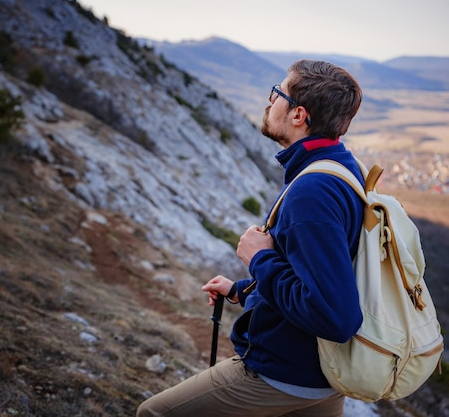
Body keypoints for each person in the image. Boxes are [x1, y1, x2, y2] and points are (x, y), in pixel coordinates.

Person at [137, 60, 366, 417]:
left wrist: (259, 259)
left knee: (154, 413)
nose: (268, 101)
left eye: (277, 93)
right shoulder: (342, 166)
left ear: (298, 115)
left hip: (283, 373)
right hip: (323, 378)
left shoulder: (313, 190)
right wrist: (243, 290)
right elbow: (316, 274)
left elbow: (336, 317)